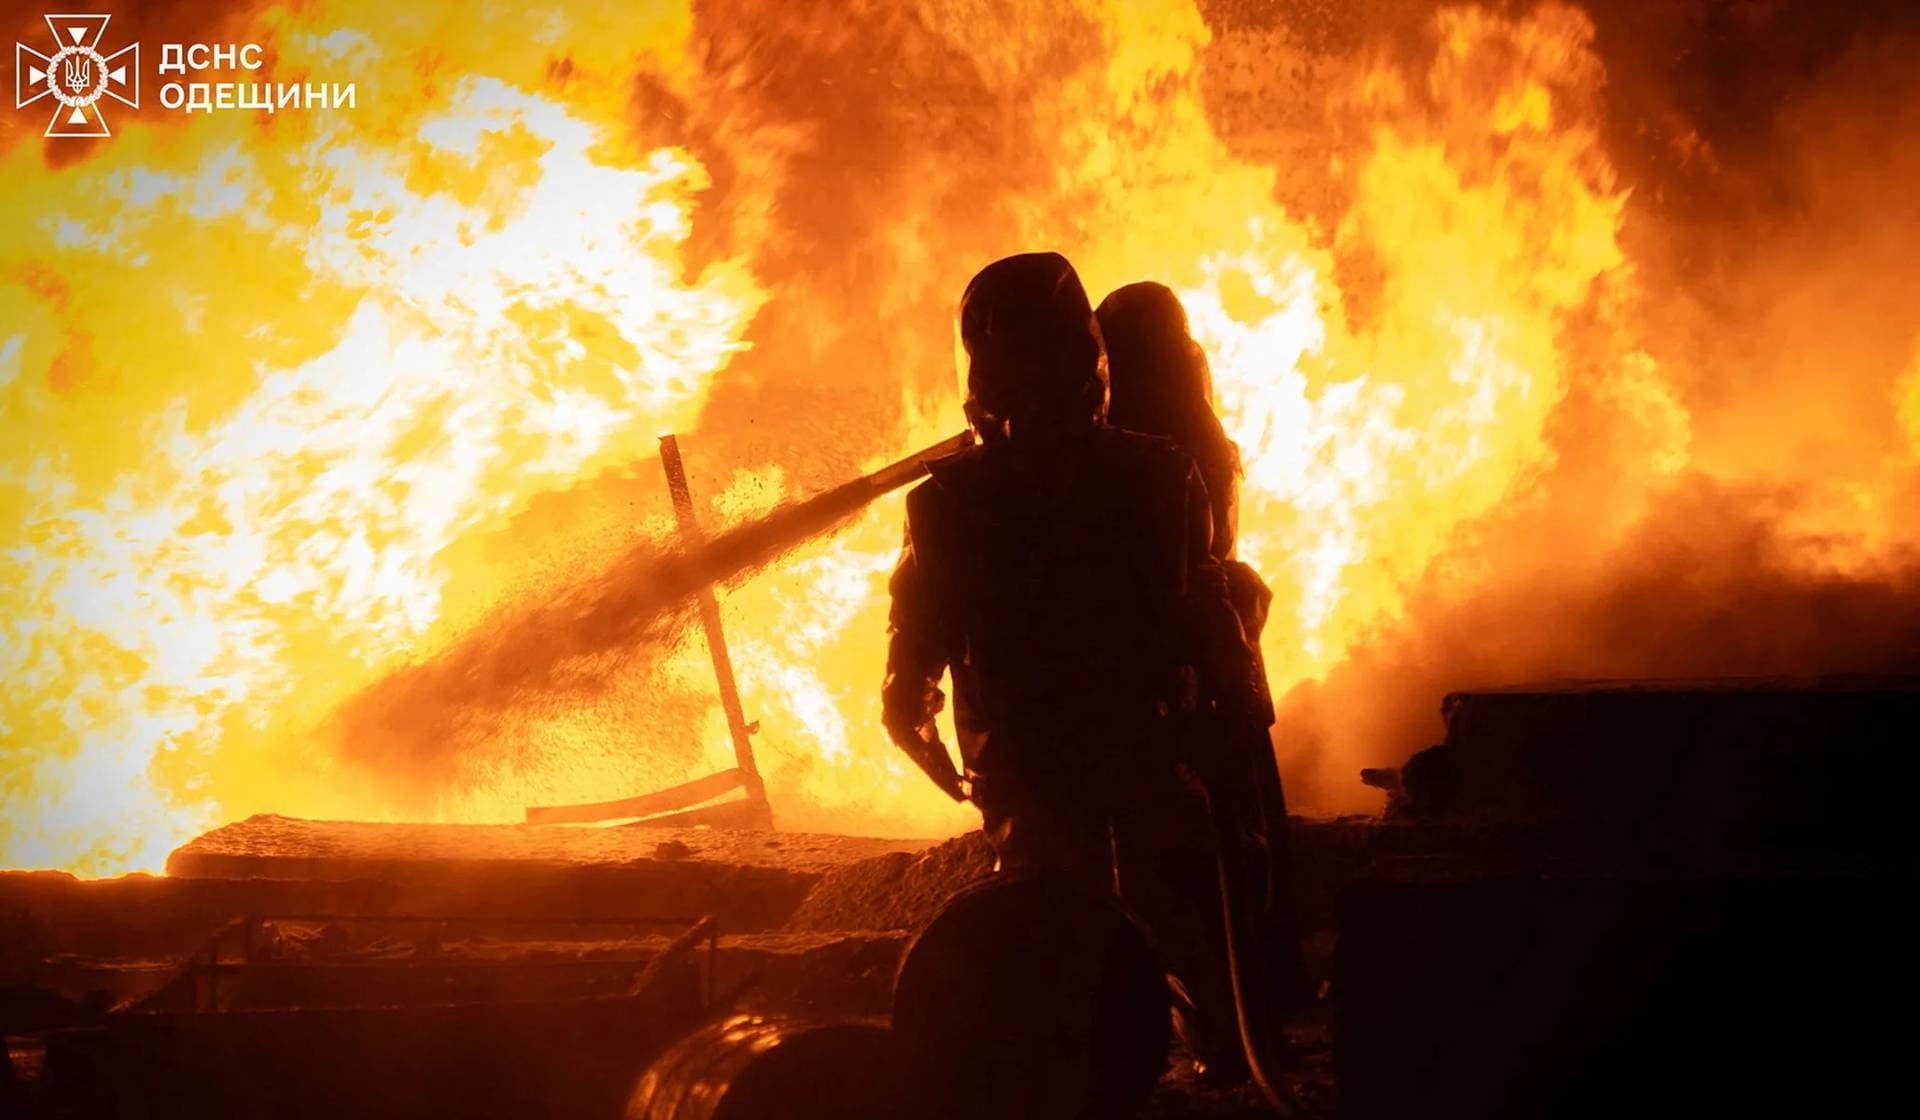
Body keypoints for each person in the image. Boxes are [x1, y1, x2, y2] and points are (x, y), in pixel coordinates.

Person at [882, 252, 1263, 1079]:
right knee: (1159, 896)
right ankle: (1216, 1055)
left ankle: (1086, 1064)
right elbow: (1203, 608)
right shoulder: (1159, 473)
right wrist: (1234, 705)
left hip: (1037, 754)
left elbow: (917, 633)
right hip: (1129, 742)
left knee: (1056, 912)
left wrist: (906, 704)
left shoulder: (949, 502)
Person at [1097, 279, 1305, 1074]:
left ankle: (1218, 1029)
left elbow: (1161, 579)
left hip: (1175, 681)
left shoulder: (1154, 460)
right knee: (1238, 853)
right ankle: (1250, 1016)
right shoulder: (1195, 438)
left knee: (1185, 865)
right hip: (1213, 675)